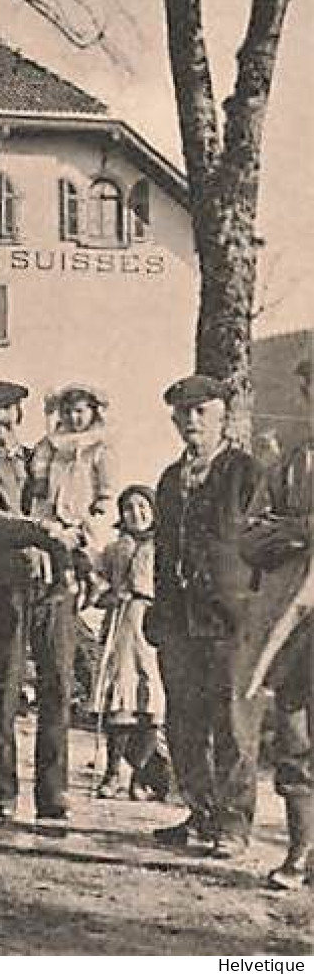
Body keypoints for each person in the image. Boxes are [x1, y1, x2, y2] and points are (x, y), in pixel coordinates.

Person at [147, 374, 268, 858]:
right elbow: (161, 551)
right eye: (183, 413)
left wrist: (254, 609)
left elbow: (265, 544)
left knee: (234, 723)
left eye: (202, 412)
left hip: (230, 620)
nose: (191, 421)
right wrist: (157, 609)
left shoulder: (245, 473)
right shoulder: (170, 480)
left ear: (222, 417)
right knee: (184, 721)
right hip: (178, 620)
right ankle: (200, 813)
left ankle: (234, 824)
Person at [0, 380, 83, 822]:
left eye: (6, 411)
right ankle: (3, 793)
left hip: (53, 592)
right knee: (5, 691)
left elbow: (73, 506)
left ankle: (53, 793)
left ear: (20, 415)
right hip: (4, 590)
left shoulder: (44, 461)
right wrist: (44, 531)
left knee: (59, 688)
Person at [245, 357, 314, 888]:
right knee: (292, 735)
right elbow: (252, 531)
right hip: (295, 619)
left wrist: (299, 527)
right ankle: (298, 853)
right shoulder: (292, 461)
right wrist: (287, 534)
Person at [92, 485, 169, 800]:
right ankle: (112, 773)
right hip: (121, 627)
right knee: (119, 702)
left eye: (142, 507)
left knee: (149, 702)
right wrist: (107, 594)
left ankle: (141, 777)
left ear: (153, 512)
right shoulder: (114, 550)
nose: (135, 514)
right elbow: (96, 585)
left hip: (152, 628)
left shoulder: (165, 547)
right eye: (128, 508)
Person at [30, 383, 117, 602]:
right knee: (57, 540)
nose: (73, 417)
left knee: (83, 544)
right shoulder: (54, 440)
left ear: (92, 412)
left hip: (82, 501)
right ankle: (66, 581)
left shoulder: (98, 444)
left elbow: (107, 475)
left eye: (79, 411)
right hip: (55, 498)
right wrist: (40, 481)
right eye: (67, 412)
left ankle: (94, 580)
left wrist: (103, 498)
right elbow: (40, 459)